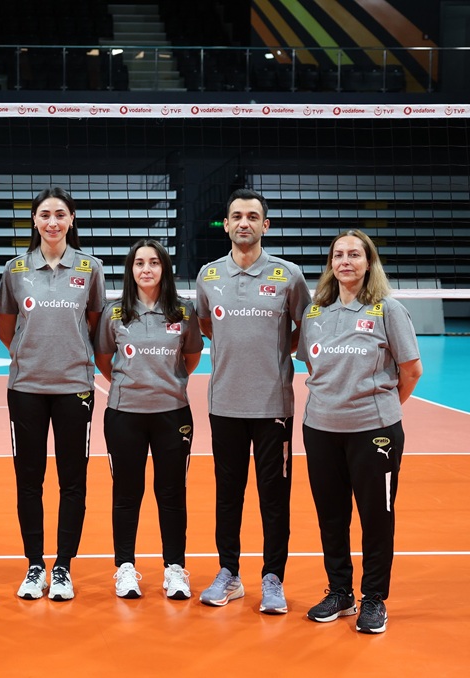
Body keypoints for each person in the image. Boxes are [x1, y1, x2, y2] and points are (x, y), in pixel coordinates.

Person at [296, 230, 421, 634]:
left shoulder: (387, 310)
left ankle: (374, 598)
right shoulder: (315, 312)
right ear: (331, 264)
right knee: (331, 517)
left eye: (354, 254)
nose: (345, 261)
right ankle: (340, 592)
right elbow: (314, 367)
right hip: (320, 429)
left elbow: (411, 370)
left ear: (369, 262)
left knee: (376, 518)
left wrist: (380, 411)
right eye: (338, 255)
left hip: (374, 432)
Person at [194, 188, 311, 614]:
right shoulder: (208, 275)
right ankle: (229, 573)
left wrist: (277, 349)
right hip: (224, 404)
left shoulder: (288, 275)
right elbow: (206, 324)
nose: (244, 222)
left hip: (273, 407)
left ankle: (273, 578)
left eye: (253, 216)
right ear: (226, 224)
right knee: (228, 495)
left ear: (266, 225)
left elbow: (305, 327)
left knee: (274, 498)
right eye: (237, 216)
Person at [0, 187, 104, 601]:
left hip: (75, 387)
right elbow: (7, 328)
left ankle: (62, 567)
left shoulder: (90, 268)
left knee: (72, 482)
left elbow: (93, 323)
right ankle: (35, 564)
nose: (53, 222)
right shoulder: (15, 270)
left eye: (60, 214)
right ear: (35, 221)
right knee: (29, 481)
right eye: (45, 215)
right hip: (26, 388)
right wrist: (31, 356)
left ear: (71, 219)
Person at [95, 239, 202, 601]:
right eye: (139, 263)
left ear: (164, 268)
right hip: (124, 415)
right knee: (127, 493)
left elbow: (191, 356)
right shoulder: (114, 313)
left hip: (173, 414)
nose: (146, 269)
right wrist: (132, 386)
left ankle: (175, 568)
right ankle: (125, 567)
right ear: (131, 270)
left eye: (154, 262)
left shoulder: (183, 312)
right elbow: (104, 359)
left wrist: (166, 384)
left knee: (171, 493)